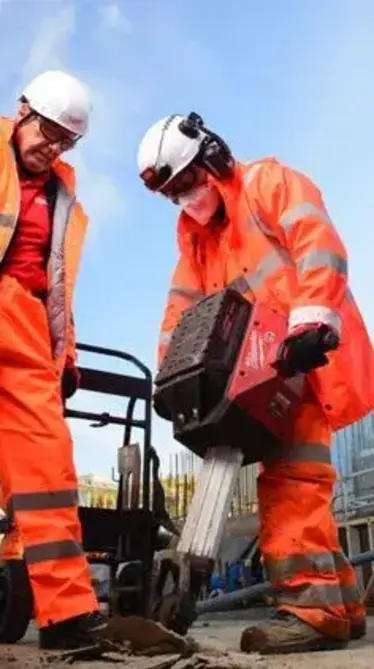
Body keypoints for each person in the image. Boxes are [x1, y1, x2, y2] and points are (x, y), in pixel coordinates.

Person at [137, 112, 374, 655]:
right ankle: (342, 607)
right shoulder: (195, 245)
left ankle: (314, 614)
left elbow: (319, 245)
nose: (185, 200)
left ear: (212, 160)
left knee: (290, 480)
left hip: (302, 358)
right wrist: (169, 381)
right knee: (298, 480)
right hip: (251, 379)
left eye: (187, 184)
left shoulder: (268, 183)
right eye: (173, 194)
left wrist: (311, 322)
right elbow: (179, 317)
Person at [0, 69, 116, 657]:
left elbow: (59, 289)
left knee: (48, 468)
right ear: (22, 111)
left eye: (65, 141)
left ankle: (65, 616)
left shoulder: (65, 198)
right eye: (46, 131)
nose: (52, 146)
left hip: (22, 326)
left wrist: (64, 354)